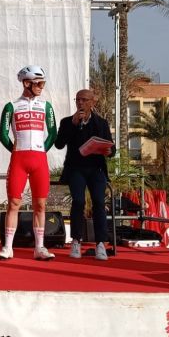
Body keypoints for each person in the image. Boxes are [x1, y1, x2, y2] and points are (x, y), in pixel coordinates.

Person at [0, 66, 57, 261]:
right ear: (26, 83)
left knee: (40, 204)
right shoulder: (11, 106)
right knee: (14, 203)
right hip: (19, 160)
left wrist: (41, 150)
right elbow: (3, 135)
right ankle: (8, 247)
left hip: (39, 159)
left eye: (43, 83)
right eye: (38, 83)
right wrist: (15, 150)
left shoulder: (46, 106)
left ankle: (39, 247)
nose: (41, 87)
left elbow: (53, 134)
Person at [53, 88, 114, 261]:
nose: (80, 103)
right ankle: (76, 241)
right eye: (78, 99)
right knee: (78, 201)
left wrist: (109, 150)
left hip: (96, 168)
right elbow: (59, 144)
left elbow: (112, 148)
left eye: (84, 100)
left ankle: (100, 243)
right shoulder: (67, 122)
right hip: (76, 169)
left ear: (93, 102)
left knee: (99, 202)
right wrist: (73, 125)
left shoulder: (101, 123)